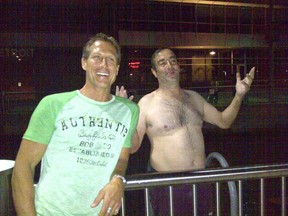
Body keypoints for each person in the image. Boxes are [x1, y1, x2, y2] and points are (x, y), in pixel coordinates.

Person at [12, 33, 139, 216]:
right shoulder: (53, 104)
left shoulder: (129, 111)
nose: (104, 65)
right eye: (97, 57)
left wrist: (118, 180)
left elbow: (121, 158)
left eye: (110, 60)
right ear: (84, 63)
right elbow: (24, 166)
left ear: (117, 69)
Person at [117, 48, 255, 215]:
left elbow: (223, 121)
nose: (169, 65)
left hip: (201, 181)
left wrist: (239, 96)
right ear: (154, 72)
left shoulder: (194, 98)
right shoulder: (146, 104)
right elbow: (133, 146)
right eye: (162, 63)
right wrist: (124, 116)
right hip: (169, 185)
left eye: (173, 60)